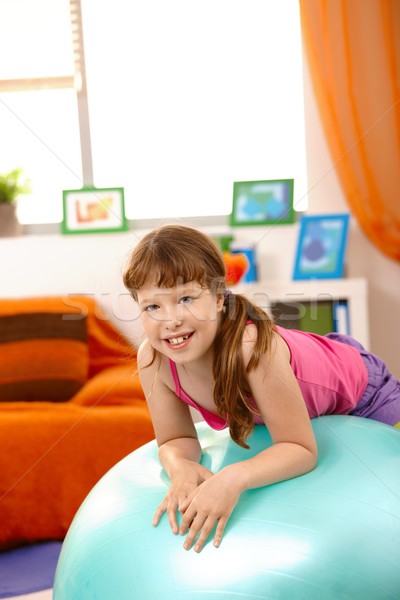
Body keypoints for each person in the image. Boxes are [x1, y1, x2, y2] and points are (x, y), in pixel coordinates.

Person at [123, 224, 400, 553]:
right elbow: (175, 439)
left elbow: (301, 449)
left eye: (186, 298)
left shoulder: (250, 348)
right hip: (292, 407)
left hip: (365, 394)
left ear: (218, 298)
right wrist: (180, 466)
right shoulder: (152, 359)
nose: (171, 320)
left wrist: (232, 477)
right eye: (152, 306)